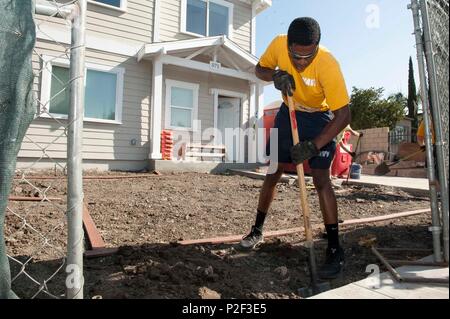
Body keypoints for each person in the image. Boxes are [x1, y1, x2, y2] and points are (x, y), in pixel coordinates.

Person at [239, 17, 351, 279]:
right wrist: (275, 76)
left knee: (322, 179)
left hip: (320, 119)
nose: (301, 62)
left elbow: (343, 116)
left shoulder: (328, 64)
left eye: (307, 56)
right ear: (288, 45)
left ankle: (335, 248)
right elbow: (259, 69)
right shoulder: (278, 44)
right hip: (289, 110)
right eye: (295, 56)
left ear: (317, 46)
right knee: (273, 171)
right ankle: (257, 229)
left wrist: (314, 145)